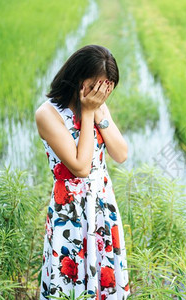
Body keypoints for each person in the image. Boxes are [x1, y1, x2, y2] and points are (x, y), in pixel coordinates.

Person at [35, 45, 130, 299]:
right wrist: (88, 113)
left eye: (106, 88)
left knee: (103, 280)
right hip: (70, 212)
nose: (101, 93)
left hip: (102, 205)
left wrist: (99, 113)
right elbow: (80, 167)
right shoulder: (48, 114)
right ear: (78, 78)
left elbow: (121, 154)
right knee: (70, 283)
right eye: (96, 86)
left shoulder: (96, 106)